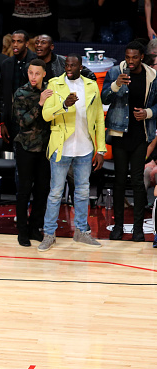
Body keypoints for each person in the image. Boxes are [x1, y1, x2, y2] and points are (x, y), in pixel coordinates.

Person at [38, 54, 106, 252]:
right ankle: (49, 234)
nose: (69, 67)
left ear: (80, 66)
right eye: (67, 64)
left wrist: (100, 149)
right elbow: (46, 114)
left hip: (84, 147)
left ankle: (81, 231)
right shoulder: (54, 84)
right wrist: (64, 105)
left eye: (73, 65)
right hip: (62, 147)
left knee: (83, 191)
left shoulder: (91, 86)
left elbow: (99, 120)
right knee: (55, 193)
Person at [102, 41, 157, 242]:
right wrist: (116, 84)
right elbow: (105, 98)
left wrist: (148, 112)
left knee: (136, 181)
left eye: (134, 57)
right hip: (119, 134)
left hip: (141, 134)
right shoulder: (116, 71)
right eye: (127, 56)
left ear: (142, 56)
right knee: (118, 181)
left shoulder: (152, 76)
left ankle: (138, 229)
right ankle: (117, 227)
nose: (130, 61)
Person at [12, 59, 52, 246]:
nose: (33, 77)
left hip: (45, 148)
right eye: (30, 73)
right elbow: (23, 121)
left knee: (42, 190)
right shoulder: (21, 92)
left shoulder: (50, 90)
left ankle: (35, 228)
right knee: (24, 190)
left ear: (44, 73)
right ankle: (22, 231)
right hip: (26, 147)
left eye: (37, 73)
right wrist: (41, 104)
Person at [0, 30, 37, 144]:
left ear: (26, 43)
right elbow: (3, 96)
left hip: (32, 121)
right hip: (12, 120)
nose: (15, 45)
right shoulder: (6, 64)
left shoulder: (35, 63)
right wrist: (3, 123)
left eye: (19, 42)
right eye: (13, 41)